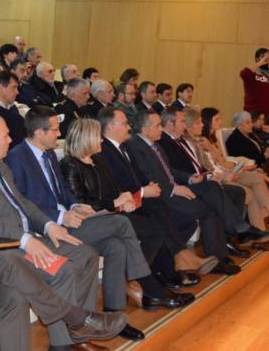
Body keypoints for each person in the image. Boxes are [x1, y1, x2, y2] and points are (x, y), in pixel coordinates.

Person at [0, 114, 129, 347]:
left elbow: (21, 202)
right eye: (6, 135)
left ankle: (79, 331)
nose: (11, 138)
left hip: (29, 236)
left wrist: (47, 224)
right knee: (63, 269)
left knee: (86, 256)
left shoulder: (0, 165)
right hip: (2, 247)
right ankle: (67, 336)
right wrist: (24, 240)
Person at [6, 107, 187, 338]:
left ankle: (113, 314)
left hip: (72, 218)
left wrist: (74, 206)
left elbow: (62, 192)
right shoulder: (17, 157)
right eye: (54, 129)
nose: (59, 133)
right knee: (122, 224)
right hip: (50, 228)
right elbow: (24, 203)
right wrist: (61, 216)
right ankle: (144, 281)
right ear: (39, 132)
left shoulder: (49, 153)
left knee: (117, 246)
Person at [60, 118, 203, 308]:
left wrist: (125, 200)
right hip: (91, 220)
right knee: (151, 229)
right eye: (97, 137)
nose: (102, 141)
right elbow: (80, 204)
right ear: (85, 138)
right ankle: (147, 285)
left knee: (152, 221)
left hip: (111, 214)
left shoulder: (98, 160)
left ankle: (144, 286)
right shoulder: (70, 164)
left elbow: (114, 190)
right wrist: (115, 203)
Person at [96, 107, 220, 277]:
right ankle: (161, 270)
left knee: (179, 217)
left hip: (140, 198)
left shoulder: (123, 147)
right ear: (110, 127)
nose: (129, 127)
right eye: (124, 124)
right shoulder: (105, 150)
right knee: (159, 220)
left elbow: (142, 176)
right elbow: (115, 185)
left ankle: (172, 265)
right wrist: (143, 191)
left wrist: (148, 189)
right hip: (124, 205)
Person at [123, 110, 246, 272]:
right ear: (145, 129)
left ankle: (218, 256)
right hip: (160, 196)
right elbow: (147, 178)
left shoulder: (155, 144)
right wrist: (174, 189)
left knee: (210, 202)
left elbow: (169, 171)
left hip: (172, 190)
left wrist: (189, 177)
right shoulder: (135, 146)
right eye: (158, 125)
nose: (161, 128)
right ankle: (213, 256)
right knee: (205, 210)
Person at [157, 107, 269, 251]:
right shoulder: (163, 142)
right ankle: (240, 229)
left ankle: (230, 240)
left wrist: (209, 176)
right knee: (213, 189)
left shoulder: (181, 141)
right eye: (182, 121)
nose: (184, 125)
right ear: (170, 124)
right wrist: (193, 178)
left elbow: (200, 166)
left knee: (237, 192)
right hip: (186, 185)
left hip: (200, 180)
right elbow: (171, 171)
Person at [191, 108, 269, 236]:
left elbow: (223, 160)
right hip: (221, 175)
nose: (220, 122)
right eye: (217, 120)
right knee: (254, 184)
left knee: (259, 178)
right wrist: (233, 168)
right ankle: (268, 218)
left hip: (228, 170)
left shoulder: (213, 138)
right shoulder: (203, 141)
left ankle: (261, 230)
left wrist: (237, 166)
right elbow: (212, 165)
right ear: (208, 121)